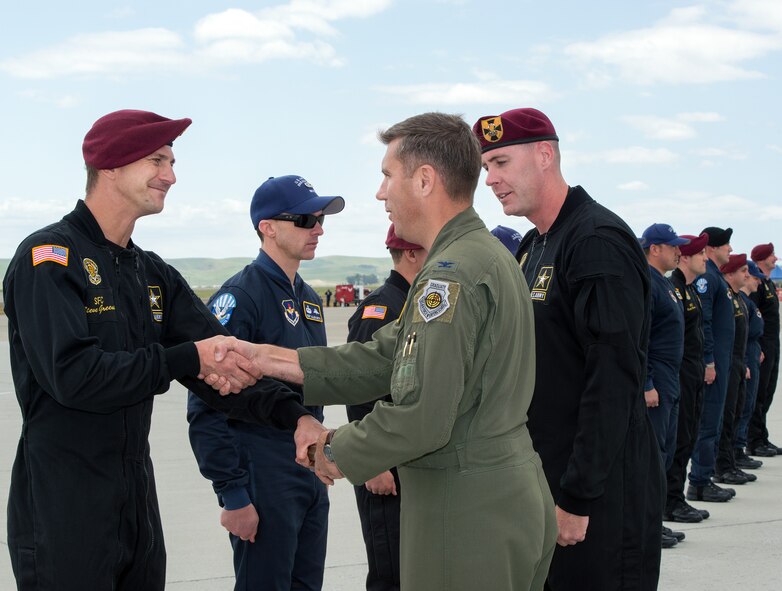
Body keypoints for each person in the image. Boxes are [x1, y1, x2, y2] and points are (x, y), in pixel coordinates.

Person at [210, 112, 558, 590]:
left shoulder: (449, 276)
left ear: (423, 180)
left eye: (386, 176)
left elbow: (422, 415)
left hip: (464, 512)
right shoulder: (481, 256)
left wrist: (331, 451)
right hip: (502, 496)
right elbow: (384, 357)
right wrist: (263, 358)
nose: (380, 193)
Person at [2, 110, 321, 591]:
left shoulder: (151, 273)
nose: (171, 175)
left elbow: (226, 359)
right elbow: (74, 375)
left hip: (136, 506)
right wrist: (185, 358)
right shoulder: (49, 258)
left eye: (171, 161)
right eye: (157, 160)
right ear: (109, 165)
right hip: (63, 506)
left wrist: (293, 415)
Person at [474, 107, 662, 590]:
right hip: (547, 477)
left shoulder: (595, 240)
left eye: (500, 163)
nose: (491, 180)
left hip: (597, 490)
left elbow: (613, 379)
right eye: (486, 168)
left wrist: (578, 497)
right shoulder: (536, 244)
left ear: (544, 155)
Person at [187, 175, 343, 589]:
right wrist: (233, 493)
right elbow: (205, 404)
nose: (319, 229)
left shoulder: (309, 297)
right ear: (268, 227)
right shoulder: (241, 296)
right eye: (307, 220)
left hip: (307, 467)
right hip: (261, 466)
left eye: (321, 219)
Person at [345, 223, 427, 591]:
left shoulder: (414, 304)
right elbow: (359, 390)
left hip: (408, 465)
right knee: (390, 571)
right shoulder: (381, 309)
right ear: (410, 253)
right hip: (385, 473)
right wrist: (373, 464)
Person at [639, 223, 687, 549]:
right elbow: (640, 336)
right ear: (655, 248)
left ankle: (655, 523)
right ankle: (646, 529)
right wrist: (647, 382)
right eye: (672, 247)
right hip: (657, 377)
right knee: (652, 457)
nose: (678, 252)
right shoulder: (647, 283)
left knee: (665, 451)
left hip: (671, 376)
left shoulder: (665, 283)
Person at [664, 232, 712, 524]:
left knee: (688, 437)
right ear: (686, 257)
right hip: (678, 375)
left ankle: (676, 498)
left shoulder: (690, 290)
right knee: (677, 440)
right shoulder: (674, 288)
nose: (705, 258)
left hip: (692, 375)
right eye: (701, 254)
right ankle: (669, 503)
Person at [688, 227, 736, 503]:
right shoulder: (707, 279)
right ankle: (700, 481)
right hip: (713, 365)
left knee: (716, 422)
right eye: (726, 244)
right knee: (708, 424)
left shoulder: (716, 278)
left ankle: (706, 476)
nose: (730, 249)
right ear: (713, 248)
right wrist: (708, 360)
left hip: (723, 362)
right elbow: (703, 322)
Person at [713, 254, 754, 486]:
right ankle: (723, 467)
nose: (747, 275)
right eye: (742, 271)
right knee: (725, 418)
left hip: (737, 362)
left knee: (735, 414)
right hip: (727, 363)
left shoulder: (736, 298)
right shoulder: (727, 298)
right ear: (729, 274)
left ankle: (730, 463)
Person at [748, 242, 780, 457]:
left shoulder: (767, 283)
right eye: (771, 256)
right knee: (759, 394)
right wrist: (757, 346)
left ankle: (762, 436)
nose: (775, 258)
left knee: (768, 391)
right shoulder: (757, 285)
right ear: (761, 259)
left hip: (772, 343)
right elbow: (752, 316)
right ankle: (754, 440)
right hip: (762, 344)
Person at [734, 260, 765, 468]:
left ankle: (739, 446)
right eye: (755, 278)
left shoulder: (748, 302)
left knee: (750, 403)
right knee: (743, 406)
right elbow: (740, 336)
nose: (758, 283)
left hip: (752, 351)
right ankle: (737, 448)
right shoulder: (742, 301)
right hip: (745, 354)